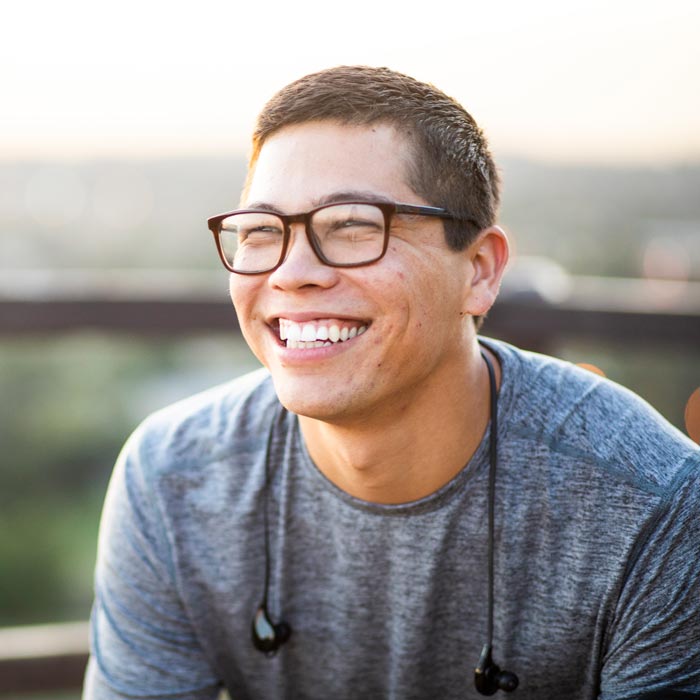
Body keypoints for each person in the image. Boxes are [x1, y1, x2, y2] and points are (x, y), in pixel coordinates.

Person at [83, 66, 700, 699]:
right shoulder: (173, 477)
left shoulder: (649, 507)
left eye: (353, 226)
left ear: (480, 271)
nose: (293, 273)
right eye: (263, 232)